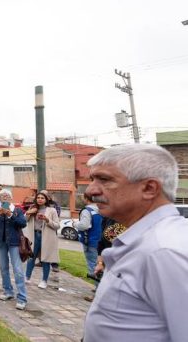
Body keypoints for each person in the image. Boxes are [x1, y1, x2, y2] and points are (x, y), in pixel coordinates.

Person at [82, 144, 188, 341]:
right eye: (92, 179)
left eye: (105, 179)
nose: (91, 190)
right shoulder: (144, 241)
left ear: (149, 188)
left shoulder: (164, 252)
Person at [0, 189, 28, 310]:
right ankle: (8, 291)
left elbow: (22, 223)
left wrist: (10, 215)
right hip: (0, 243)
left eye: (7, 196)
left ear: (11, 198)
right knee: (3, 268)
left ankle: (22, 297)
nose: (5, 197)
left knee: (18, 270)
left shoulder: (17, 210)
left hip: (14, 243)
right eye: (2, 196)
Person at [23, 192, 60, 289]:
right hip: (34, 235)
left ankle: (44, 280)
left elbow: (57, 225)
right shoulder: (32, 208)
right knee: (31, 257)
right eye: (38, 197)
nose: (40, 199)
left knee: (45, 259)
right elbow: (23, 221)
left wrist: (47, 220)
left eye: (42, 198)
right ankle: (27, 277)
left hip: (46, 237)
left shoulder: (52, 210)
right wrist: (28, 212)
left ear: (46, 199)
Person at [76, 194, 103, 281]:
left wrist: (74, 224)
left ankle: (98, 290)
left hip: (90, 242)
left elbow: (84, 225)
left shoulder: (87, 210)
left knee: (93, 266)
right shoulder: (102, 209)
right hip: (102, 242)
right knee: (101, 266)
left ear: (86, 198)